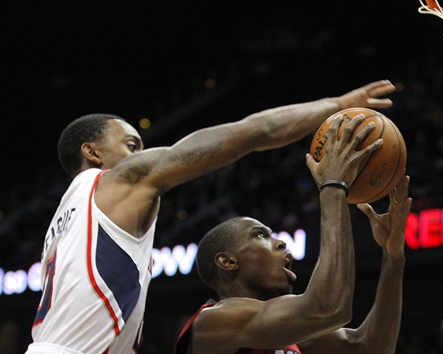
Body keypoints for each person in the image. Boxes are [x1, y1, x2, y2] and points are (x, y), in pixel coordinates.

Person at [26, 80, 396, 354]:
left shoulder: (63, 222)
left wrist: (394, 257)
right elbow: (252, 132)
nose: (143, 154)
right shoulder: (117, 181)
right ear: (92, 152)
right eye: (131, 146)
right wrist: (338, 104)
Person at [175, 113, 411, 354]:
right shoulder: (212, 323)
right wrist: (333, 186)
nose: (281, 243)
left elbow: (370, 348)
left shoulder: (285, 328)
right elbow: (329, 308)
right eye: (261, 235)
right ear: (227, 261)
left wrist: (393, 257)